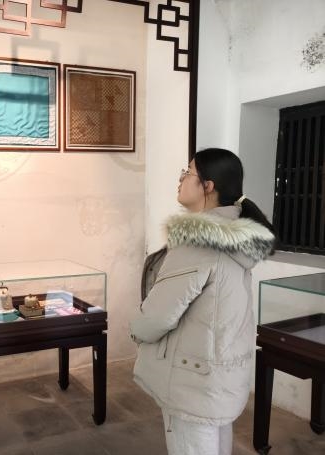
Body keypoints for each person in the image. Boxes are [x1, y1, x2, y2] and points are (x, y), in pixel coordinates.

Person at [130, 148, 276, 455]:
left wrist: (136, 329)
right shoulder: (235, 238)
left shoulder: (198, 241)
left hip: (191, 381)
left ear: (208, 186)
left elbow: (158, 315)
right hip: (220, 376)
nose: (181, 179)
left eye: (187, 173)